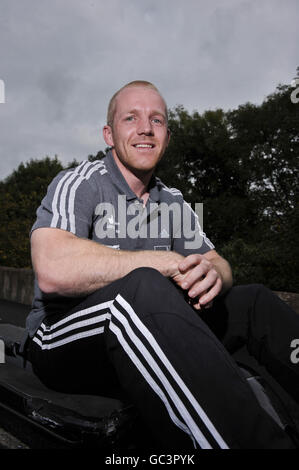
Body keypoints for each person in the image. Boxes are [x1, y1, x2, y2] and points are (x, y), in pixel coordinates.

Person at [25, 80, 299, 449]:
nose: (145, 129)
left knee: (252, 302)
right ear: (109, 134)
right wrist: (161, 262)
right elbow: (53, 270)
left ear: (166, 136)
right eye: (131, 118)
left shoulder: (172, 200)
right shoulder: (80, 183)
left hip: (150, 324)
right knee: (143, 288)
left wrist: (213, 274)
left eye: (157, 120)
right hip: (61, 337)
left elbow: (218, 260)